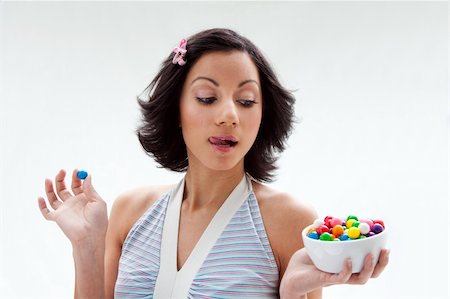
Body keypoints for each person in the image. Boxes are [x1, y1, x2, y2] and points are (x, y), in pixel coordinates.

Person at [37, 28, 389, 299]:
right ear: (177, 109)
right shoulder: (130, 212)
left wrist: (292, 294)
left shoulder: (287, 220)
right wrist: (87, 247)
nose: (229, 116)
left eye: (246, 101)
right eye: (207, 98)